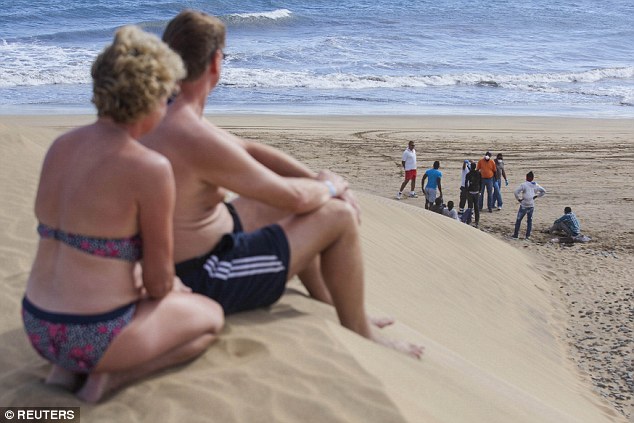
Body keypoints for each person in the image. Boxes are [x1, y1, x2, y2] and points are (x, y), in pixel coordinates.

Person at [142, 10, 423, 359]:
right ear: (215, 63)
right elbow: (294, 198)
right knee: (337, 217)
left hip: (183, 255)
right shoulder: (190, 133)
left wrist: (313, 178)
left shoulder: (164, 110)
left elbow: (249, 149)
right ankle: (359, 329)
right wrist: (334, 187)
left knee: (293, 204)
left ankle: (332, 301)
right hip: (206, 278)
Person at [21, 26, 224, 403]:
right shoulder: (149, 167)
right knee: (209, 319)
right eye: (166, 96)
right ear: (151, 97)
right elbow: (160, 282)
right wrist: (170, 290)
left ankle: (65, 373)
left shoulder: (60, 147)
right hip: (93, 335)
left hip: (36, 325)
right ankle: (109, 379)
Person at [512, 171, 546, 240]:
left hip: (524, 205)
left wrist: (518, 199)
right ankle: (528, 236)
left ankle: (516, 235)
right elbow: (543, 191)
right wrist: (537, 196)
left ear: (527, 177)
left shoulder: (524, 184)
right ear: (532, 178)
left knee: (519, 220)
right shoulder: (535, 185)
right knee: (529, 221)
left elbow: (516, 192)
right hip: (531, 205)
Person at [464, 162, 482, 228]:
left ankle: (469, 220)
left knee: (470, 207)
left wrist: (466, 190)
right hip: (476, 191)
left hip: (470, 191)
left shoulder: (468, 174)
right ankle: (477, 221)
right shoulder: (478, 173)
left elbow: (466, 183)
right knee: (476, 207)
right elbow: (481, 182)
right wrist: (480, 190)